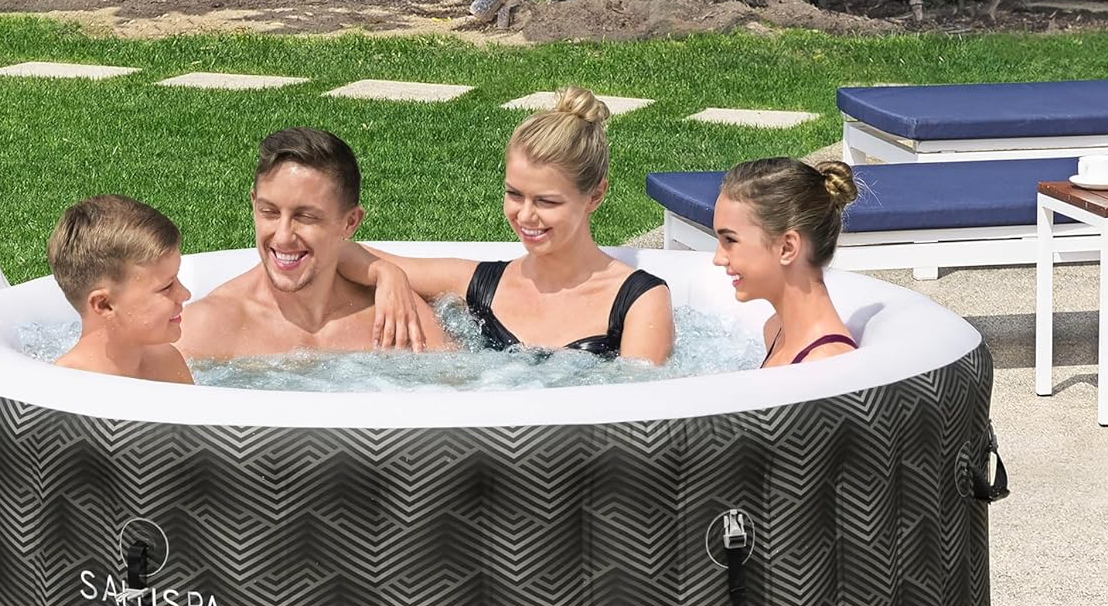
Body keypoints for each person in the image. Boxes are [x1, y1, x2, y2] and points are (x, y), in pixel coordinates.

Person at [335, 88, 674, 364]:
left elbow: (638, 406)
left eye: (546, 202)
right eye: (514, 194)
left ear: (595, 195)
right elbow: (338, 250)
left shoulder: (639, 300)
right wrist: (387, 274)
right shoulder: (478, 285)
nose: (525, 216)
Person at [174, 127, 450, 361]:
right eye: (269, 212)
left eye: (305, 217)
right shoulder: (206, 328)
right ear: (253, 204)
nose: (283, 236)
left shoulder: (399, 316)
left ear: (350, 222)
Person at [711, 157, 861, 368]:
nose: (718, 259)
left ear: (787, 248)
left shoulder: (824, 365)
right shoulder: (775, 329)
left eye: (730, 240)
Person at [49, 194, 194, 384]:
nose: (185, 294)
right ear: (105, 304)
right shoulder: (68, 385)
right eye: (167, 287)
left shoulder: (166, 362)